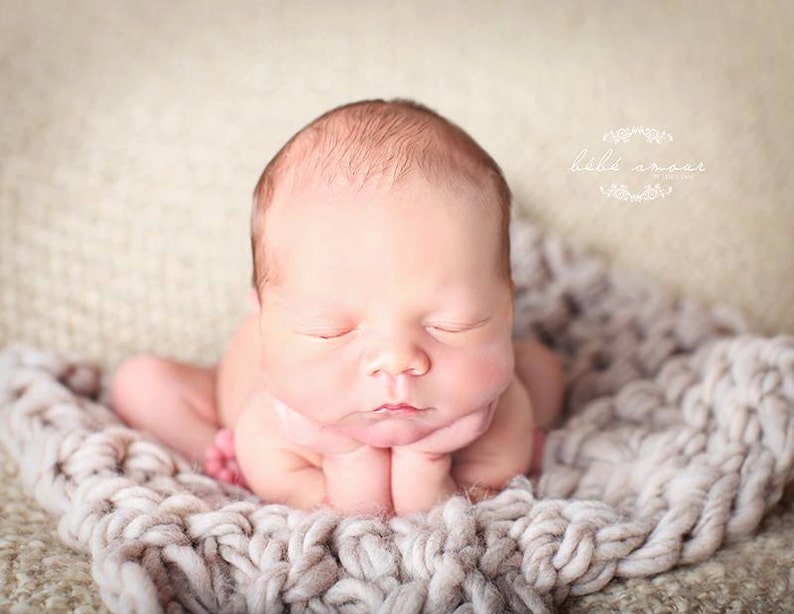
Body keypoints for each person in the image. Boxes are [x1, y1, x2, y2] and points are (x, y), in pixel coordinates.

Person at [111, 99, 565, 516]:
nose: (397, 360)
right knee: (141, 383)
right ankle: (218, 454)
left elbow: (456, 522)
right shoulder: (275, 426)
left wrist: (426, 467)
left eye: (452, 324)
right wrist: (348, 459)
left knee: (544, 369)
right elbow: (351, 522)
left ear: (507, 308)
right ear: (265, 321)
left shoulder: (499, 421)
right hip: (231, 402)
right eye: (330, 330)